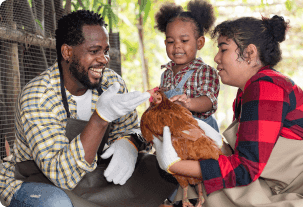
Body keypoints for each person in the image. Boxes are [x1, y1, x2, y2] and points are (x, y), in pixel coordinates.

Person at [153, 15, 303, 207]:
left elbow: (245, 169)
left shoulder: (266, 87)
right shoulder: (245, 94)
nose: (216, 58)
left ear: (249, 53)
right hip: (295, 185)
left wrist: (174, 165)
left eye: (223, 49)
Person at [0, 10, 177, 207]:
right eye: (94, 51)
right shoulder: (39, 96)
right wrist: (100, 118)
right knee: (56, 204)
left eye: (106, 51)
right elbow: (62, 176)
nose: (104, 59)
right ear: (67, 52)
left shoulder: (111, 82)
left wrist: (131, 142)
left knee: (167, 172)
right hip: (38, 180)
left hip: (93, 174)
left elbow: (134, 129)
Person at [155, 0, 220, 132]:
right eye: (171, 41)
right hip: (174, 132)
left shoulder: (205, 72)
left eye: (184, 40)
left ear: (200, 42)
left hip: (202, 134)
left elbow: (209, 101)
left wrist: (187, 103)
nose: (177, 45)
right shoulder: (166, 73)